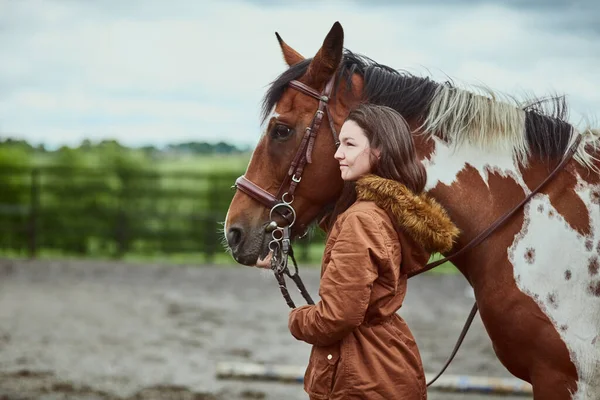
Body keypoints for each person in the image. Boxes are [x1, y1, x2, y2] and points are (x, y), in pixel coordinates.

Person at [287, 104, 460, 400]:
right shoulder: (387, 213)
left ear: (379, 151)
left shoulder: (361, 220)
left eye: (349, 145)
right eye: (340, 143)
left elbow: (337, 317)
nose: (337, 154)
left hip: (361, 377)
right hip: (388, 363)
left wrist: (297, 319)